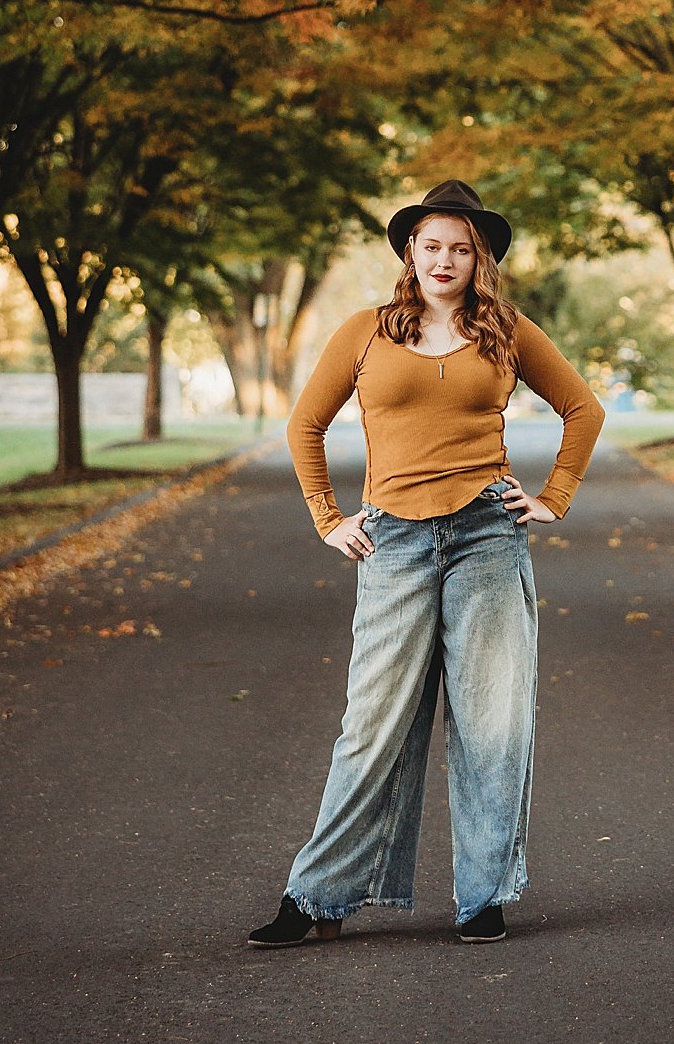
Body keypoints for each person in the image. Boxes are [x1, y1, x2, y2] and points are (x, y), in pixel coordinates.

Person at [247, 180, 605, 948]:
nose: (445, 258)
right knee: (370, 725)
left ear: (482, 259)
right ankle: (317, 898)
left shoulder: (506, 328)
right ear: (410, 251)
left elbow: (584, 408)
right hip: (394, 543)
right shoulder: (365, 332)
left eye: (461, 247)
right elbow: (305, 424)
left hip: (487, 535)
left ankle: (483, 897)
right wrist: (328, 519)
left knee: (492, 722)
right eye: (432, 244)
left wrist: (554, 497)